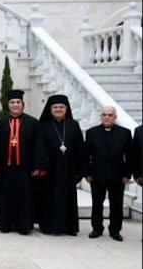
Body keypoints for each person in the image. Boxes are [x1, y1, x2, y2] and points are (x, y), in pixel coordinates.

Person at [0, 90, 48, 235]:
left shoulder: (33, 123)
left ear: (23, 105)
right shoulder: (1, 123)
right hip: (6, 168)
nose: (15, 105)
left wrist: (38, 166)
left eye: (18, 102)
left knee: (25, 197)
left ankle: (24, 225)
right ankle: (5, 224)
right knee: (6, 195)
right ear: (8, 105)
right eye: (12, 102)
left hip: (26, 168)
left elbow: (39, 146)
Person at [35, 95, 86, 236]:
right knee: (48, 198)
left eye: (61, 107)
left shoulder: (73, 125)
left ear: (66, 109)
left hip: (68, 170)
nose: (58, 109)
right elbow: (39, 147)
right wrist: (41, 166)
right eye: (55, 107)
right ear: (50, 109)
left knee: (67, 198)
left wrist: (81, 169)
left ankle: (69, 227)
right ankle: (48, 226)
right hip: (49, 171)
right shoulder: (43, 125)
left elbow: (80, 148)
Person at [86, 106, 132, 241]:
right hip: (97, 175)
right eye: (104, 115)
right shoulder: (91, 133)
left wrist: (127, 175)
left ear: (115, 117)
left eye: (110, 115)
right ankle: (97, 228)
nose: (107, 117)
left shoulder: (125, 133)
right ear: (101, 116)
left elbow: (129, 155)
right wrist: (87, 173)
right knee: (97, 203)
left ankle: (115, 230)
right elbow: (86, 155)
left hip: (117, 175)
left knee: (117, 204)